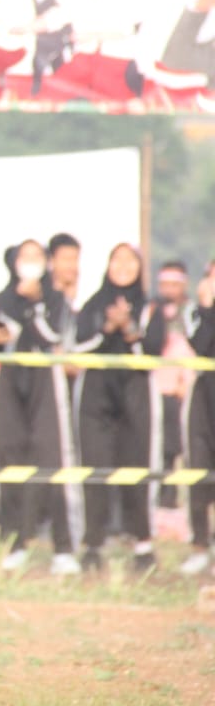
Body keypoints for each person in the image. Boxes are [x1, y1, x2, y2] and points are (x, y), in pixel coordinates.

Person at [0, 240, 81, 576]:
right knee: (10, 457)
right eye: (24, 256)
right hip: (12, 381)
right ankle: (16, 541)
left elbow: (50, 335)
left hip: (46, 380)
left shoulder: (55, 297)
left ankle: (64, 546)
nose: (30, 262)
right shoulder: (2, 298)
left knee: (53, 458)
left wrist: (36, 303)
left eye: (36, 257)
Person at [74, 243, 166, 572]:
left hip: (135, 396)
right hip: (96, 398)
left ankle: (142, 544)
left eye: (131, 261)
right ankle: (93, 545)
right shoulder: (94, 304)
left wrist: (128, 329)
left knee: (136, 469)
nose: (124, 266)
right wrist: (108, 328)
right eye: (118, 259)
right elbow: (79, 346)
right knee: (95, 470)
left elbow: (153, 352)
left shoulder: (149, 306)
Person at [38, 0, 145, 106]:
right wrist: (28, 26)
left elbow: (125, 31)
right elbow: (53, 19)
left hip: (112, 59)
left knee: (121, 104)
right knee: (51, 92)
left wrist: (91, 36)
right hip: (84, 59)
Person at [181, 261, 215, 576]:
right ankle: (199, 545)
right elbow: (201, 345)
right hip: (203, 403)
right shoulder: (195, 310)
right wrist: (207, 306)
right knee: (197, 474)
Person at [155, 261, 195, 520]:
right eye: (164, 284)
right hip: (156, 389)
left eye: (174, 284)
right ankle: (162, 502)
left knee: (178, 447)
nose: (169, 289)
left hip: (182, 389)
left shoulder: (190, 312)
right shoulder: (154, 311)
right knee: (160, 449)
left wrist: (185, 381)